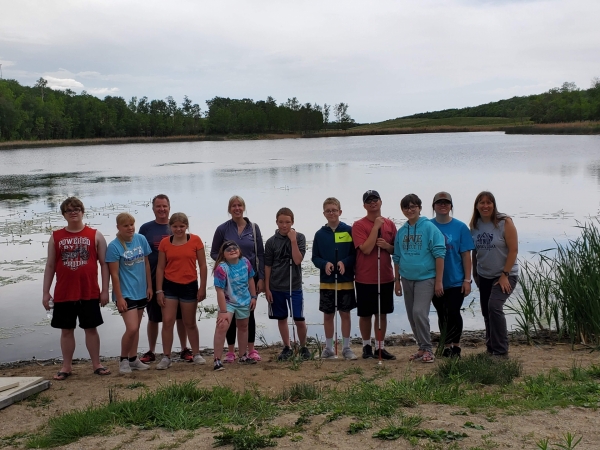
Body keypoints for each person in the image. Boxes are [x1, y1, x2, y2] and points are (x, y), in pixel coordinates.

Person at [42, 197, 111, 380]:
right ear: (64, 214)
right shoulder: (56, 237)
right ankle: (66, 366)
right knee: (66, 330)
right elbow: (50, 265)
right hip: (64, 292)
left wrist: (105, 290)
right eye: (69, 210)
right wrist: (45, 292)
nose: (73, 212)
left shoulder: (95, 235)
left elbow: (104, 264)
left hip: (88, 291)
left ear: (82, 211)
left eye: (77, 209)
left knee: (91, 328)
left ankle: (96, 364)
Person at [210, 195, 265, 362]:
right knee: (228, 316)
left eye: (239, 205)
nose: (237, 208)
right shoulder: (222, 229)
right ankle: (231, 351)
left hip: (250, 277)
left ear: (244, 207)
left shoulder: (254, 228)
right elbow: (214, 252)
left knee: (249, 315)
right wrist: (227, 266)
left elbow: (261, 254)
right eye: (233, 206)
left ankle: (249, 350)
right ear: (229, 209)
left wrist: (261, 277)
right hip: (229, 280)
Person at [393, 194, 446, 364]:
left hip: (426, 278)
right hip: (407, 278)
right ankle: (421, 347)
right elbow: (397, 257)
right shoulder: (401, 231)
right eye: (406, 207)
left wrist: (439, 281)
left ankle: (428, 349)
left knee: (419, 312)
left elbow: (439, 254)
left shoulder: (430, 228)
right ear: (402, 210)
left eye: (413, 206)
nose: (410, 210)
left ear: (420, 208)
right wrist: (397, 280)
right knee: (411, 315)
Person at [139, 195, 190, 363]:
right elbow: (141, 256)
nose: (161, 209)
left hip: (176, 280)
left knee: (180, 317)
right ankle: (151, 351)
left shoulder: (175, 226)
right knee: (153, 317)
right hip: (154, 279)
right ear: (153, 208)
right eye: (158, 206)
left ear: (169, 207)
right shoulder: (146, 229)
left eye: (164, 206)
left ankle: (184, 348)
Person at [155, 212, 208, 369]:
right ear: (170, 227)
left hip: (189, 285)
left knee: (189, 322)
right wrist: (159, 290)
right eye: (175, 226)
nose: (178, 229)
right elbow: (160, 267)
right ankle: (166, 357)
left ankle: (196, 353)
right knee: (168, 321)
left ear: (186, 226)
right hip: (170, 285)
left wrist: (202, 287)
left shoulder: (196, 240)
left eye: (182, 226)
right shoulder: (165, 243)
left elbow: (203, 265)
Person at [470, 191, 519, 357]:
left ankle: (501, 350)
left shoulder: (505, 223)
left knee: (494, 307)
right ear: (476, 206)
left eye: (488, 202)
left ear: (493, 205)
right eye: (481, 203)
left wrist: (505, 275)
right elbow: (474, 251)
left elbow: (513, 250)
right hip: (484, 275)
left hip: (506, 275)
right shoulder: (475, 225)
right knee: (486, 311)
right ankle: (491, 348)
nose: (485, 206)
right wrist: (474, 273)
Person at [352, 190, 397, 360]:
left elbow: (395, 250)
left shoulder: (391, 224)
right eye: (369, 201)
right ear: (364, 205)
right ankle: (366, 346)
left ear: (380, 202)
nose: (373, 203)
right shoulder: (359, 225)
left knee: (382, 313)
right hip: (365, 277)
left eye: (375, 200)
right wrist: (376, 228)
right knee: (365, 314)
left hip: (385, 276)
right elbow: (366, 248)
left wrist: (387, 246)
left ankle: (380, 347)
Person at [106, 213, 153, 374]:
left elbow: (146, 263)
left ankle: (133, 359)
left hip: (141, 290)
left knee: (136, 327)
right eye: (126, 225)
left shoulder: (141, 239)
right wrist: (119, 297)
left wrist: (149, 286)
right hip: (126, 293)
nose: (130, 228)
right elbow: (114, 274)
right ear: (118, 227)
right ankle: (123, 360)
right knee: (131, 328)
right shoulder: (114, 246)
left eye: (132, 224)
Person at [311, 197, 357, 360]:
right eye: (328, 210)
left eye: (334, 210)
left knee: (345, 313)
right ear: (324, 213)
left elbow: (354, 254)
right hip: (327, 281)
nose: (331, 213)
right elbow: (315, 257)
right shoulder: (319, 234)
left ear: (340, 212)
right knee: (328, 314)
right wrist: (325, 264)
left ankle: (346, 347)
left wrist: (345, 262)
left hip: (345, 280)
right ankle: (329, 348)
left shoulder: (348, 230)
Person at [430, 192, 474, 359]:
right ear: (434, 206)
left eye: (446, 202)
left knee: (453, 311)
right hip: (434, 280)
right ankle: (446, 346)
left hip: (456, 280)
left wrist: (467, 280)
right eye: (439, 202)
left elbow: (466, 255)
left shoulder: (461, 227)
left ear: (451, 206)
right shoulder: (428, 226)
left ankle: (456, 346)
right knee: (442, 313)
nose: (443, 205)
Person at [264, 207, 310, 361]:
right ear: (276, 222)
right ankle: (287, 346)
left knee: (299, 318)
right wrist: (267, 287)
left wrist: (293, 240)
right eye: (281, 222)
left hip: (294, 285)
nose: (284, 225)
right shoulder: (271, 242)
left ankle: (303, 346)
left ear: (293, 222)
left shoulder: (300, 237)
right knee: (281, 318)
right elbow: (268, 265)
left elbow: (297, 260)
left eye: (288, 222)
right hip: (276, 286)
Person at [212, 241, 259, 371]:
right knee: (222, 326)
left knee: (243, 327)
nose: (232, 250)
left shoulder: (246, 262)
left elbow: (250, 279)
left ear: (239, 250)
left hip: (244, 300)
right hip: (228, 302)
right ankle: (217, 360)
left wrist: (254, 297)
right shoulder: (221, 268)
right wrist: (222, 311)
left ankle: (243, 355)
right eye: (229, 250)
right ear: (223, 254)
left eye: (235, 248)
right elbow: (219, 290)